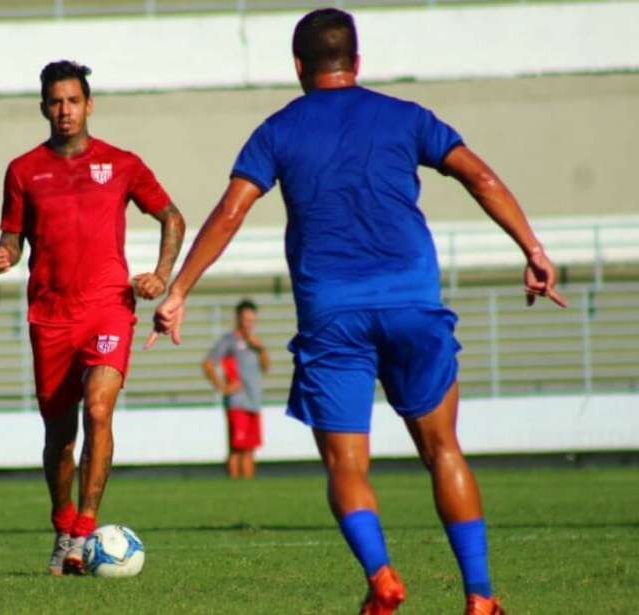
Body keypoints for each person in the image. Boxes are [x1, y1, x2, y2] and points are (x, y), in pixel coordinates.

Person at [146, 9, 566, 614]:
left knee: (346, 464)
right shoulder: (405, 117)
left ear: (298, 66)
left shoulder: (278, 129)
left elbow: (231, 211)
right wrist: (532, 249)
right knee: (443, 449)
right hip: (413, 306)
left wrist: (180, 289)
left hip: (332, 314)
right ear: (357, 62)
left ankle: (382, 576)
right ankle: (479, 597)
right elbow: (481, 176)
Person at [0, 60, 185, 576]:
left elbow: (171, 216)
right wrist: (4, 253)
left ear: (89, 105)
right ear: (43, 108)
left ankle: (84, 531)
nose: (65, 110)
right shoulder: (23, 170)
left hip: (107, 308)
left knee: (99, 409)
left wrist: (161, 275)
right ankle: (62, 525)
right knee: (60, 435)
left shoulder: (121, 164)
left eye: (73, 101)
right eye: (55, 102)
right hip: (50, 316)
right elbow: (13, 235)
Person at [202, 298, 269, 479]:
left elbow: (265, 367)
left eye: (252, 320)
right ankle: (234, 486)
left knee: (250, 449)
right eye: (246, 320)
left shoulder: (255, 342)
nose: (249, 324)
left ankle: (247, 490)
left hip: (254, 400)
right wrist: (223, 387)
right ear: (238, 319)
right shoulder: (229, 340)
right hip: (237, 401)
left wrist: (261, 349)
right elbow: (208, 364)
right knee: (237, 448)